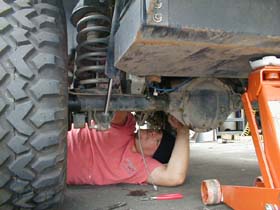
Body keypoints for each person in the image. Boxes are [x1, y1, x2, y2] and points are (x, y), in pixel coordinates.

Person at [67, 111, 190, 186]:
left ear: (153, 156)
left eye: (157, 141)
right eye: (157, 131)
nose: (153, 133)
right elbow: (116, 102)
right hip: (55, 141)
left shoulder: (142, 167)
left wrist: (183, 130)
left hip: (54, 171)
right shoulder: (126, 126)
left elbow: (174, 177)